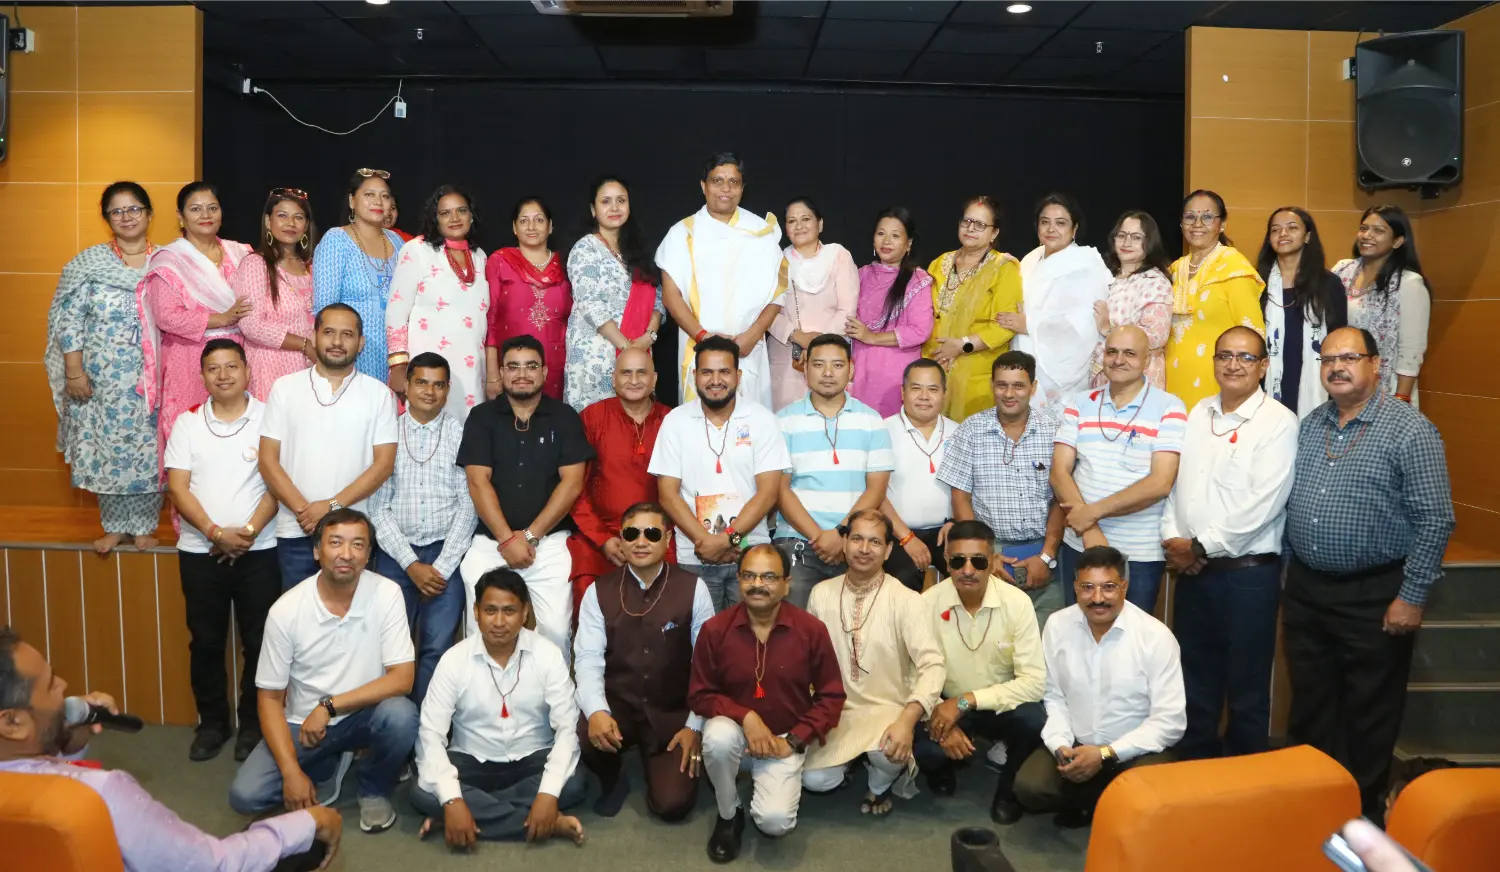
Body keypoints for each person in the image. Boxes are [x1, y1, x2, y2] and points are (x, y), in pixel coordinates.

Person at [1283, 326, 1455, 822]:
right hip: (1308, 592)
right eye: (1328, 359)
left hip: (1376, 595)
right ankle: (1308, 813)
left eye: (1349, 357)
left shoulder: (1410, 430)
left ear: (1376, 365)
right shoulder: (1311, 425)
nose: (1336, 367)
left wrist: (1412, 596)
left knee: (1368, 716)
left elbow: (1435, 519)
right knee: (1311, 708)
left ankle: (1359, 822)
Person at [0, 626, 344, 871]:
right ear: (12, 722)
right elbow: (214, 865)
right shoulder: (102, 794)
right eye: (50, 684)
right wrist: (309, 823)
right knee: (295, 839)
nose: (64, 686)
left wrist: (68, 744)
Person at [229, 509, 420, 836]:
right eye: (336, 543)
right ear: (317, 551)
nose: (347, 554)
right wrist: (291, 773)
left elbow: (402, 679)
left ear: (368, 554)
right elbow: (270, 698)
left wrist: (329, 706)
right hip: (303, 724)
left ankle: (373, 788)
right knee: (246, 795)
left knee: (401, 715)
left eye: (358, 544)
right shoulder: (287, 610)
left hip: (362, 715)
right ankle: (327, 763)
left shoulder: (387, 593)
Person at [1161, 326, 1297, 760]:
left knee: (1247, 689)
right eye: (1224, 355)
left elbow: (1264, 504)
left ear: (1264, 366)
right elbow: (1177, 488)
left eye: (1245, 357)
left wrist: (1199, 546)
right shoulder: (1198, 412)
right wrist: (1174, 539)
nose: (1233, 365)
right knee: (1193, 681)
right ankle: (1193, 771)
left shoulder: (1278, 422)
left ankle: (1243, 780)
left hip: (1247, 578)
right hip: (1193, 573)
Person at [689, 544, 846, 862]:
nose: (757, 584)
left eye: (769, 577)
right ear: (738, 579)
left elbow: (831, 696)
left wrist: (794, 741)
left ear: (787, 584)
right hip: (735, 734)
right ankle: (729, 813)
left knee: (775, 823)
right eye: (749, 575)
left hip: (783, 741)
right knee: (717, 737)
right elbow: (699, 694)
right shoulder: (715, 630)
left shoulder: (811, 630)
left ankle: (775, 780)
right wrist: (746, 716)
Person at [165, 338, 282, 763]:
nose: (223, 375)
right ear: (202, 377)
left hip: (260, 549)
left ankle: (254, 725)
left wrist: (246, 533)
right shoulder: (187, 423)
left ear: (247, 371)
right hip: (200, 552)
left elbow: (279, 483)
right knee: (206, 642)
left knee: (260, 641)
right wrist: (214, 532)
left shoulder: (270, 418)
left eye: (231, 366)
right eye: (213, 368)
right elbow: (178, 487)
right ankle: (212, 724)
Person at [412, 569, 587, 847]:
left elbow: (567, 728)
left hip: (532, 759)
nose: (499, 621)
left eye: (509, 611)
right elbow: (430, 734)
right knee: (421, 791)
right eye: (490, 610)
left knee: (575, 783)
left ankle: (464, 816)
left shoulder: (547, 655)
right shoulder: (454, 660)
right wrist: (453, 799)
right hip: (471, 761)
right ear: (476, 612)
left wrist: (547, 794)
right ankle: (546, 824)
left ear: (525, 613)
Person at [1013, 545, 1185, 828]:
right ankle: (1094, 802)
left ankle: (1103, 804)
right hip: (1077, 744)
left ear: (1124, 587)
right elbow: (1054, 697)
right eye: (1087, 587)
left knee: (1149, 796)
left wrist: (1106, 753)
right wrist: (1060, 746)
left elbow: (1170, 722)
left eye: (1108, 587)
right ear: (1075, 588)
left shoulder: (1155, 637)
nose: (1097, 598)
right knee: (1030, 788)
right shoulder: (1057, 625)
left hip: (1136, 750)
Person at [45, 181, 164, 554]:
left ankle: (143, 526)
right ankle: (114, 526)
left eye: (134, 208)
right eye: (117, 211)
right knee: (105, 448)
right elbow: (69, 321)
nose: (126, 217)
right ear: (107, 218)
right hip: (100, 380)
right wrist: (74, 373)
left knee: (149, 450)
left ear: (149, 213)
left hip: (153, 379)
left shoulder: (168, 262)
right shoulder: (89, 263)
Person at [574, 502, 714, 820]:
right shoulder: (599, 590)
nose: (641, 542)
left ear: (668, 539)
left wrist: (695, 726)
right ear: (621, 539)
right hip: (619, 705)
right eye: (631, 534)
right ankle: (613, 778)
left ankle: (666, 764)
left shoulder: (694, 588)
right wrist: (596, 711)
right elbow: (588, 658)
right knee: (583, 733)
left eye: (651, 534)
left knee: (672, 806)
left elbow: (706, 664)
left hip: (672, 712)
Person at [801, 510, 944, 816]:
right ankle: (850, 763)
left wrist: (907, 720)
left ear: (889, 550)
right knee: (814, 780)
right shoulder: (821, 594)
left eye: (875, 542)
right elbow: (808, 662)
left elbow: (932, 665)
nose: (864, 549)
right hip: (836, 711)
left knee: (888, 752)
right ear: (844, 543)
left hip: (888, 707)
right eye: (857, 539)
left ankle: (879, 786)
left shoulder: (906, 599)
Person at [458, 334, 592, 655]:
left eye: (531, 366)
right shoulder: (482, 417)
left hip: (549, 542)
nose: (522, 374)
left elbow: (572, 483)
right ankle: (484, 688)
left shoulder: (565, 417)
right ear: (502, 372)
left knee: (556, 632)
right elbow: (477, 482)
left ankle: (550, 689)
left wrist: (530, 536)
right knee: (478, 630)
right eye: (513, 366)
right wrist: (507, 540)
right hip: (491, 542)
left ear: (544, 372)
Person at [258, 303, 398, 590]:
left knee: (354, 615)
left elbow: (384, 465)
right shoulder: (284, 388)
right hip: (296, 530)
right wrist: (305, 512)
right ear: (314, 336)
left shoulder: (379, 394)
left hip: (354, 535)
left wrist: (331, 507)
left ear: (361, 343)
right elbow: (268, 461)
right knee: (298, 615)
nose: (337, 342)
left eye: (347, 334)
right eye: (329, 332)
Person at [916, 520, 1046, 824]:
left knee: (1033, 720)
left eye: (978, 561)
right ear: (946, 560)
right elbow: (911, 673)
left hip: (997, 701)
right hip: (944, 700)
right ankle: (942, 770)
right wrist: (940, 714)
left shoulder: (1017, 603)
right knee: (926, 749)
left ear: (993, 560)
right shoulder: (925, 604)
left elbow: (1034, 683)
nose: (968, 570)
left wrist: (965, 702)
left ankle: (1008, 792)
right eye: (958, 561)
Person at [1051, 326, 1185, 616]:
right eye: (1112, 352)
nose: (1118, 360)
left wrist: (1092, 513)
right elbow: (1059, 472)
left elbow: (1160, 483)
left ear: (1147, 360)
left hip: (1139, 552)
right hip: (1080, 543)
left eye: (1129, 353)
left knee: (1131, 636)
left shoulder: (1170, 407)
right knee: (1077, 632)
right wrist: (1089, 529)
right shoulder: (1080, 402)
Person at [650, 336, 790, 612]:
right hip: (694, 554)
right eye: (707, 372)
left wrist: (727, 540)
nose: (716, 380)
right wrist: (705, 542)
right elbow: (667, 494)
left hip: (752, 554)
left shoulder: (763, 420)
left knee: (751, 634)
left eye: (724, 371)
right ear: (694, 376)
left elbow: (769, 493)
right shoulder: (675, 421)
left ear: (738, 376)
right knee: (701, 635)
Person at [366, 352, 475, 705]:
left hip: (447, 554)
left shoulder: (461, 433)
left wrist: (441, 567)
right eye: (421, 383)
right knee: (390, 649)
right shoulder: (386, 435)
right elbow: (377, 508)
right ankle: (394, 727)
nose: (429, 391)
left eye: (438, 385)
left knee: (437, 648)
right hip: (395, 556)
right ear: (406, 385)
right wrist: (411, 564)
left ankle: (427, 728)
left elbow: (469, 504)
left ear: (447, 390)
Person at [940, 352, 1067, 628]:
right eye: (1002, 385)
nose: (1009, 394)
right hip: (990, 553)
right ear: (992, 385)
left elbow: (1061, 500)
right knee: (989, 639)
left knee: (1044, 641)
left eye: (1018, 385)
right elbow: (960, 497)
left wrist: (1046, 556)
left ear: (1033, 387)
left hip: (1046, 552)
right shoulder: (971, 430)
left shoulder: (1055, 431)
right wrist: (985, 556)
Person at [138, 181, 255, 464]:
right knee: (192, 442)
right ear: (181, 216)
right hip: (188, 357)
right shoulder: (170, 260)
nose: (205, 215)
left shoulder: (241, 253)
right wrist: (221, 318)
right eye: (196, 209)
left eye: (212, 208)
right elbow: (166, 316)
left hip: (237, 355)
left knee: (239, 438)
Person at [775, 335, 895, 607]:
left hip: (856, 543)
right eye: (819, 365)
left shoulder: (871, 421)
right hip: (797, 540)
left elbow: (876, 489)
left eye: (837, 365)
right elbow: (779, 490)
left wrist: (841, 533)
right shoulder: (783, 421)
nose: (828, 373)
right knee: (796, 625)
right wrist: (819, 538)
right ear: (805, 368)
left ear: (851, 369)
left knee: (858, 624)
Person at [656, 153, 785, 407]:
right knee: (700, 421)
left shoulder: (760, 232)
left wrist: (751, 336)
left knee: (750, 423)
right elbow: (671, 296)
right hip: (698, 347)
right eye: (717, 181)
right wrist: (703, 338)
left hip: (748, 349)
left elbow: (778, 293)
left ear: (742, 188)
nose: (726, 188)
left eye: (733, 182)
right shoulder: (682, 233)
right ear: (703, 186)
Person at [568, 348, 671, 614]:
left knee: (670, 601)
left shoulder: (672, 421)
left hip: (659, 537)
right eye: (626, 373)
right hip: (601, 537)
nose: (634, 380)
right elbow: (574, 488)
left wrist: (656, 538)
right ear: (613, 379)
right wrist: (603, 539)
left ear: (655, 379)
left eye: (641, 373)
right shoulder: (592, 418)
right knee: (587, 593)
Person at [386, 185, 490, 417]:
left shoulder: (480, 256)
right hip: (428, 373)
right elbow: (396, 312)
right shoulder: (417, 251)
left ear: (471, 215)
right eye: (445, 213)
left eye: (461, 210)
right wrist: (398, 365)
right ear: (435, 218)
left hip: (472, 374)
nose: (455, 218)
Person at [1003, 192, 1112, 413]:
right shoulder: (1031, 259)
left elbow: (1082, 325)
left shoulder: (1085, 265)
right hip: (1023, 358)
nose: (1051, 229)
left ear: (1074, 229)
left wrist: (1029, 325)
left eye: (1060, 223)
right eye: (1045, 222)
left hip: (1060, 373)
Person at [563, 176, 664, 411]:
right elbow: (590, 304)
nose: (615, 207)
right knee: (596, 424)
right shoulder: (585, 248)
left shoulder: (637, 251)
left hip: (638, 356)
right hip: (596, 357)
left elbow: (658, 299)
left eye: (621, 200)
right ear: (593, 209)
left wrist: (649, 336)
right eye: (606, 201)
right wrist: (628, 348)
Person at [925, 196, 1024, 420]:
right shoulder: (940, 263)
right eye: (966, 221)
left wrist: (962, 345)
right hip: (934, 369)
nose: (970, 229)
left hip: (975, 377)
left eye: (980, 224)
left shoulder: (1003, 269)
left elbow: (1004, 326)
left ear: (994, 233)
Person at [1168, 189, 1267, 411]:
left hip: (1219, 384)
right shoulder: (1174, 269)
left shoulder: (1235, 268)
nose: (1197, 224)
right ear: (1181, 223)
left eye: (1207, 217)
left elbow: (1253, 333)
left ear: (1222, 224)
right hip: (1171, 381)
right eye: (1190, 216)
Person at [767, 197, 859, 411]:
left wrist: (818, 345)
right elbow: (766, 313)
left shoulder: (838, 256)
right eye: (791, 221)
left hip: (830, 356)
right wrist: (797, 336)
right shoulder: (776, 261)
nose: (799, 226)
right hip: (787, 357)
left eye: (806, 219)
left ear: (820, 224)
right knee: (788, 420)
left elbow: (847, 311)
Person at [1332, 205, 1431, 405]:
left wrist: (1401, 399)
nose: (1367, 235)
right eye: (1364, 228)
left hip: (1385, 390)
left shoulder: (1409, 283)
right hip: (1339, 380)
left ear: (1397, 241)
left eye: (1378, 230)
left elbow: (1411, 350)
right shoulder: (1341, 270)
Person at [313, 168, 404, 381]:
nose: (378, 202)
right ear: (352, 201)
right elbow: (325, 309)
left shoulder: (398, 242)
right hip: (351, 354)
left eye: (385, 196)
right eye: (369, 194)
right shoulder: (336, 240)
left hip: (396, 356)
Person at [1258, 207, 1349, 417]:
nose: (1283, 233)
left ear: (1307, 236)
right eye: (1275, 229)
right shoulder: (1257, 283)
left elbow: (1338, 338)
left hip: (1314, 377)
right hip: (1267, 378)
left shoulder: (1328, 284)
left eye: (1292, 228)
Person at [846, 207, 935, 418]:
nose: (886, 241)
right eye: (881, 233)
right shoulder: (860, 275)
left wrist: (872, 337)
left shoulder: (918, 280)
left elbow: (920, 330)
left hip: (895, 376)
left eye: (895, 235)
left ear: (909, 243)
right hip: (859, 371)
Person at [881, 359, 957, 592]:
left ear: (944, 393)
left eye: (933, 389)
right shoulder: (882, 431)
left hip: (947, 531)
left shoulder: (959, 432)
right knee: (903, 579)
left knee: (968, 569)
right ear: (903, 392)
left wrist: (956, 523)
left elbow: (969, 489)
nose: (924, 397)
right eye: (916, 388)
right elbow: (874, 493)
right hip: (897, 532)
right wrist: (906, 537)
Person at [484, 196, 569, 402]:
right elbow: (490, 320)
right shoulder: (500, 262)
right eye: (524, 221)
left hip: (556, 366)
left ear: (550, 226)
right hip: (511, 366)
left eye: (539, 220)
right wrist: (493, 374)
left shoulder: (566, 264)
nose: (531, 227)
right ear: (514, 227)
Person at [235, 188, 317, 401]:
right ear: (267, 221)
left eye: (298, 217)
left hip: (311, 370)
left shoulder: (312, 267)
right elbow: (251, 325)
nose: (291, 223)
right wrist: (304, 345)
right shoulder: (255, 264)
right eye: (282, 215)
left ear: (306, 225)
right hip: (270, 367)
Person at [1089, 210, 1173, 390]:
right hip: (1103, 376)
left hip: (1137, 379)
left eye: (1136, 237)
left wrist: (1107, 329)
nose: (1126, 243)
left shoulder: (1154, 282)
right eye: (1122, 235)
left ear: (1149, 242)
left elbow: (1155, 337)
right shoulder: (1106, 276)